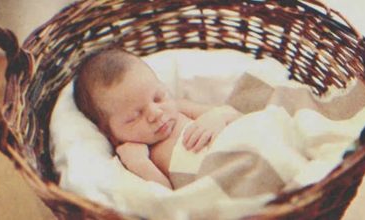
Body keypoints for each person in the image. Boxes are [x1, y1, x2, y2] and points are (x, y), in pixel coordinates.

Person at [74, 48, 242, 189]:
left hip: (239, 150)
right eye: (134, 116)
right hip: (216, 184)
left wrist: (216, 116)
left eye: (158, 98)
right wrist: (140, 164)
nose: (155, 113)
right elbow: (165, 197)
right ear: (111, 135)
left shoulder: (180, 109)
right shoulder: (133, 157)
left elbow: (237, 115)